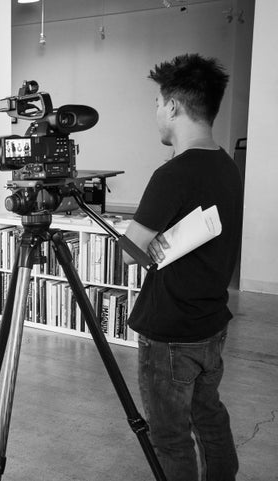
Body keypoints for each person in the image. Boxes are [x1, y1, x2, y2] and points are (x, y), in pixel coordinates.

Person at [123, 53, 242, 480]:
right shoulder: (226, 165)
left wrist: (140, 236)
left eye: (158, 102)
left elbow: (129, 251)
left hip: (171, 331)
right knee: (208, 416)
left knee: (170, 436)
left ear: (173, 106)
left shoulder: (172, 174)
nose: (156, 111)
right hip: (211, 321)